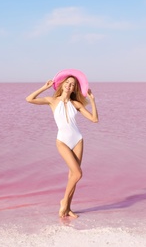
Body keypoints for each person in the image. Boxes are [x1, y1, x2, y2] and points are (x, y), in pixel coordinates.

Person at [26, 70, 98, 218]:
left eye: (72, 84)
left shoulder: (76, 103)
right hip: (62, 141)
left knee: (73, 175)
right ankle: (64, 202)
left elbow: (94, 119)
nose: (69, 85)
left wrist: (92, 100)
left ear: (74, 89)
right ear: (62, 84)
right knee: (78, 173)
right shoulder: (52, 101)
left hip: (77, 140)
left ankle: (68, 208)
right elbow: (29, 99)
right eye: (67, 82)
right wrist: (44, 87)